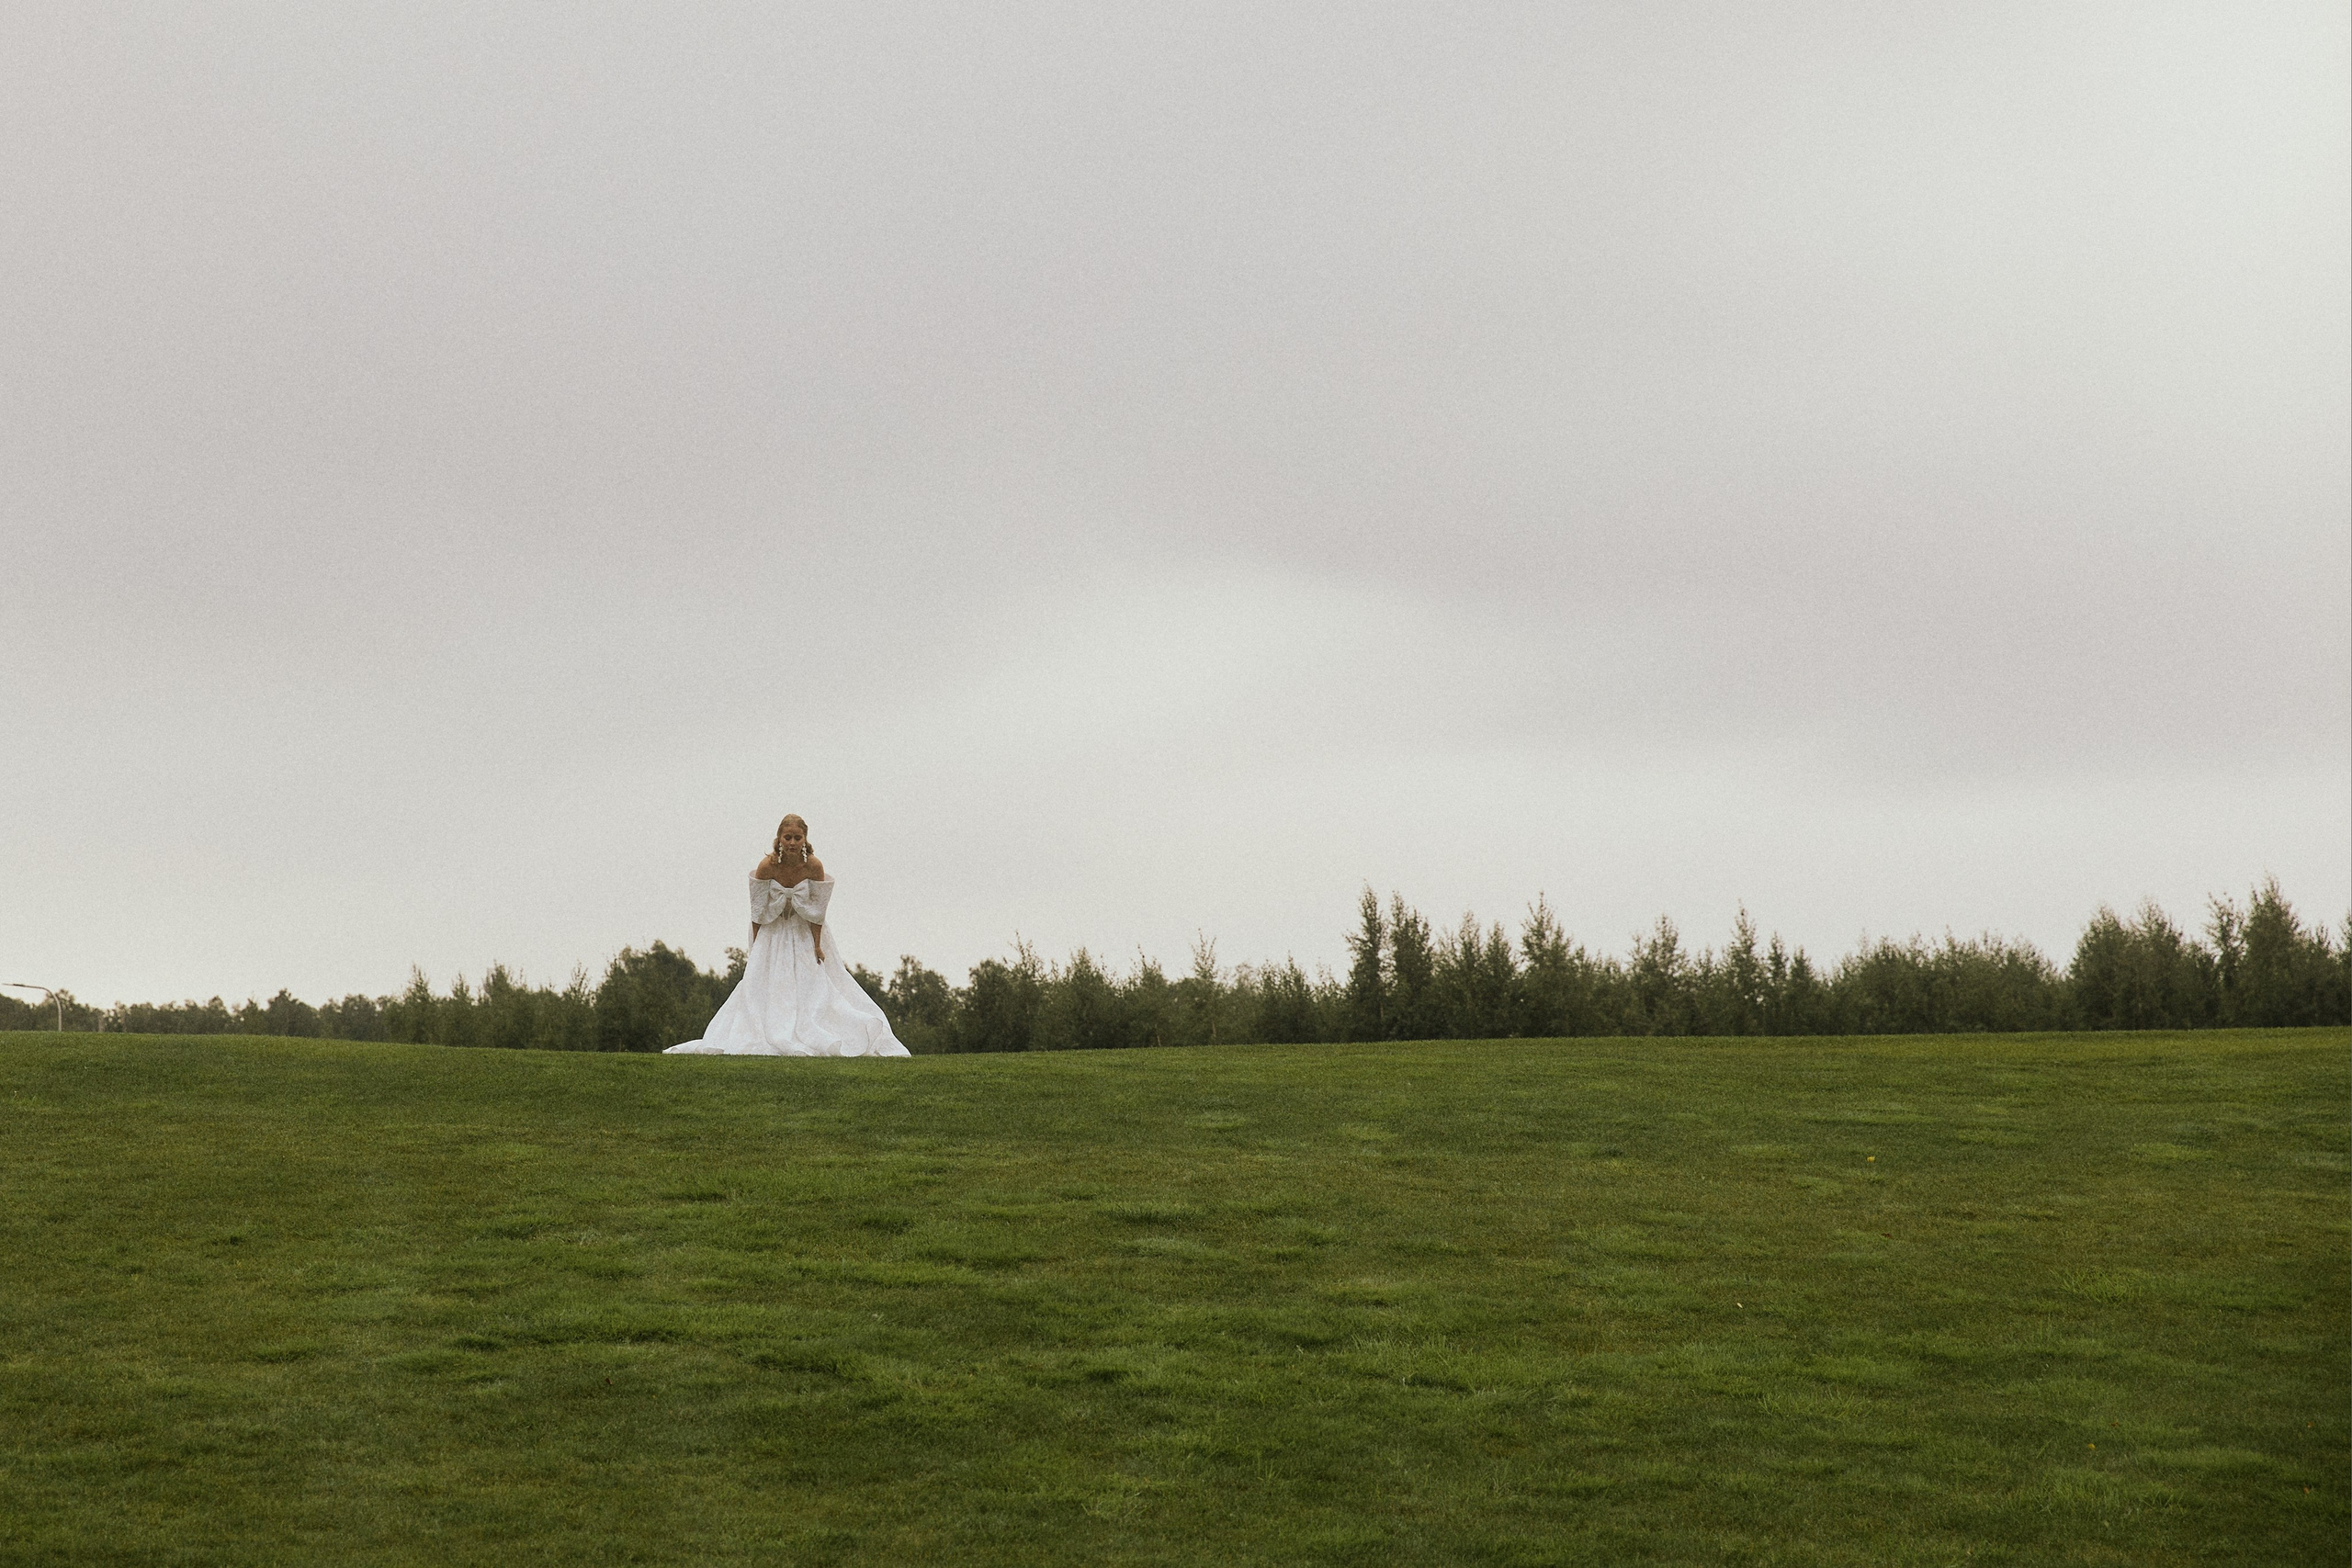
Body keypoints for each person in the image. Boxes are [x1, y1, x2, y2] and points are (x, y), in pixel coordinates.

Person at [664, 814, 910, 1057]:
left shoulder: (814, 866)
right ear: (779, 839)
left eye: (797, 838)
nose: (792, 842)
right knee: (765, 985)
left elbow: (817, 911)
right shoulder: (767, 867)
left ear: (805, 839)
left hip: (804, 930)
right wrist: (756, 946)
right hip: (774, 930)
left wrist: (817, 945)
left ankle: (815, 1031)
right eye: (788, 837)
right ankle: (767, 1032)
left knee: (812, 983)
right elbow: (758, 910)